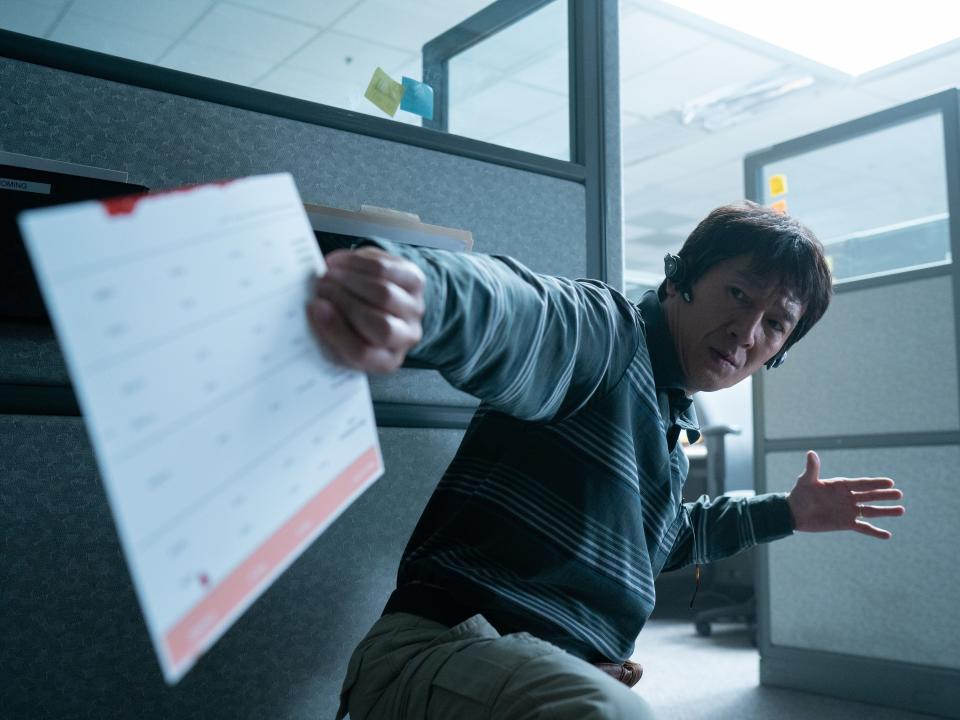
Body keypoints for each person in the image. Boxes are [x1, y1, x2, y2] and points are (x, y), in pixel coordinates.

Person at [308, 201, 905, 720]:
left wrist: (787, 512)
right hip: (442, 651)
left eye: (775, 324)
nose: (746, 331)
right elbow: (527, 313)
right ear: (682, 279)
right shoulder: (612, 337)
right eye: (739, 294)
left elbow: (665, 538)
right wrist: (425, 295)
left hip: (523, 668)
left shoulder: (669, 425)